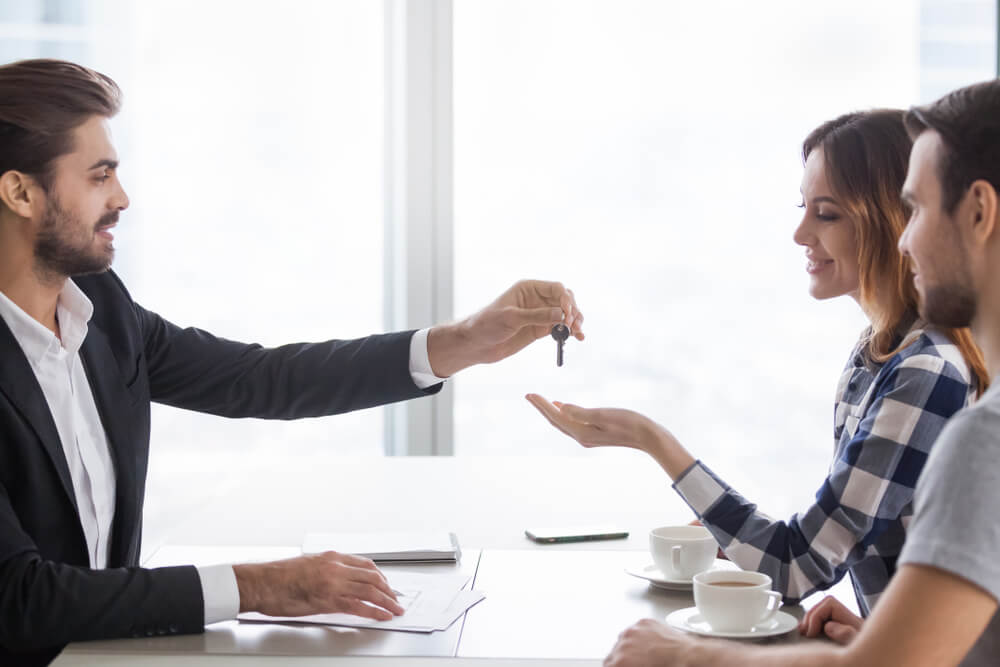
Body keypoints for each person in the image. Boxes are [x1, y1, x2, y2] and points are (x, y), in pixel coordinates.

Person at [0, 59, 585, 666]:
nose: (122, 198)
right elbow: (19, 597)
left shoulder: (102, 310)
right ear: (20, 192)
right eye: (99, 177)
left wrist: (462, 341)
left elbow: (257, 379)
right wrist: (261, 587)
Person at [602, 78, 1000, 667]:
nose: (907, 237)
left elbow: (797, 564)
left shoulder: (951, 400)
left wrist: (684, 656)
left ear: (979, 211)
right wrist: (884, 629)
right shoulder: (879, 356)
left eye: (913, 208)